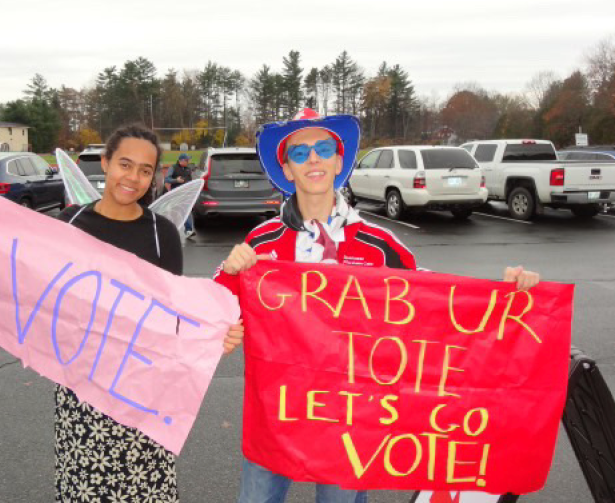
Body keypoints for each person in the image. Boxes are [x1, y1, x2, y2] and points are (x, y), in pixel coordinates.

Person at [213, 108, 540, 503]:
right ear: (286, 168)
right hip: (275, 413)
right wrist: (231, 276)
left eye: (323, 149)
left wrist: (505, 296)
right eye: (299, 153)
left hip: (350, 419)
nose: (313, 159)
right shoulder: (260, 244)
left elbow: (434, 302)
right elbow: (212, 314)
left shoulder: (378, 243)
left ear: (338, 160)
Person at [0, 123, 244, 503]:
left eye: (145, 170)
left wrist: (211, 340)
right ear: (106, 163)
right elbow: (32, 284)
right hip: (83, 390)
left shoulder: (162, 233)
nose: (134, 178)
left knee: (147, 490)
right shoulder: (72, 223)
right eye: (125, 165)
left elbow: (173, 314)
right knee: (84, 489)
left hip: (143, 391)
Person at [165, 152, 196, 238]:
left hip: (186, 193)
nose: (188, 161)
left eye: (188, 160)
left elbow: (190, 180)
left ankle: (188, 230)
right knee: (179, 212)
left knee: (187, 210)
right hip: (176, 193)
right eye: (186, 160)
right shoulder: (173, 168)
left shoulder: (188, 169)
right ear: (180, 161)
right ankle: (170, 231)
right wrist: (176, 180)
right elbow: (166, 179)